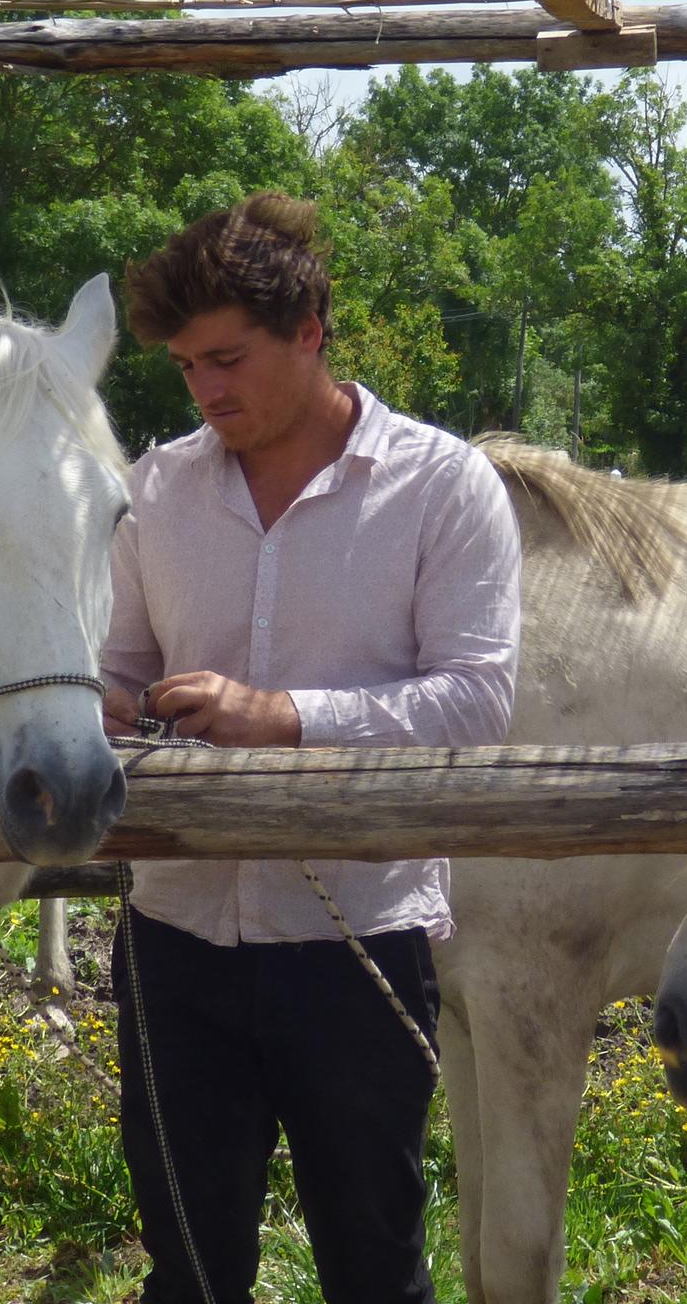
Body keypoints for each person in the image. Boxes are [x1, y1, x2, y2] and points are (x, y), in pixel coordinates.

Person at [103, 192, 521, 1304]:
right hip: (172, 936)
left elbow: (478, 704)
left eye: (226, 358)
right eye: (186, 368)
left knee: (373, 1266)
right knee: (188, 1274)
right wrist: (96, 709)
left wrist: (280, 716)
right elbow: (115, 669)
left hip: (360, 939)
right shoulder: (152, 491)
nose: (205, 391)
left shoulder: (442, 487)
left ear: (310, 332)